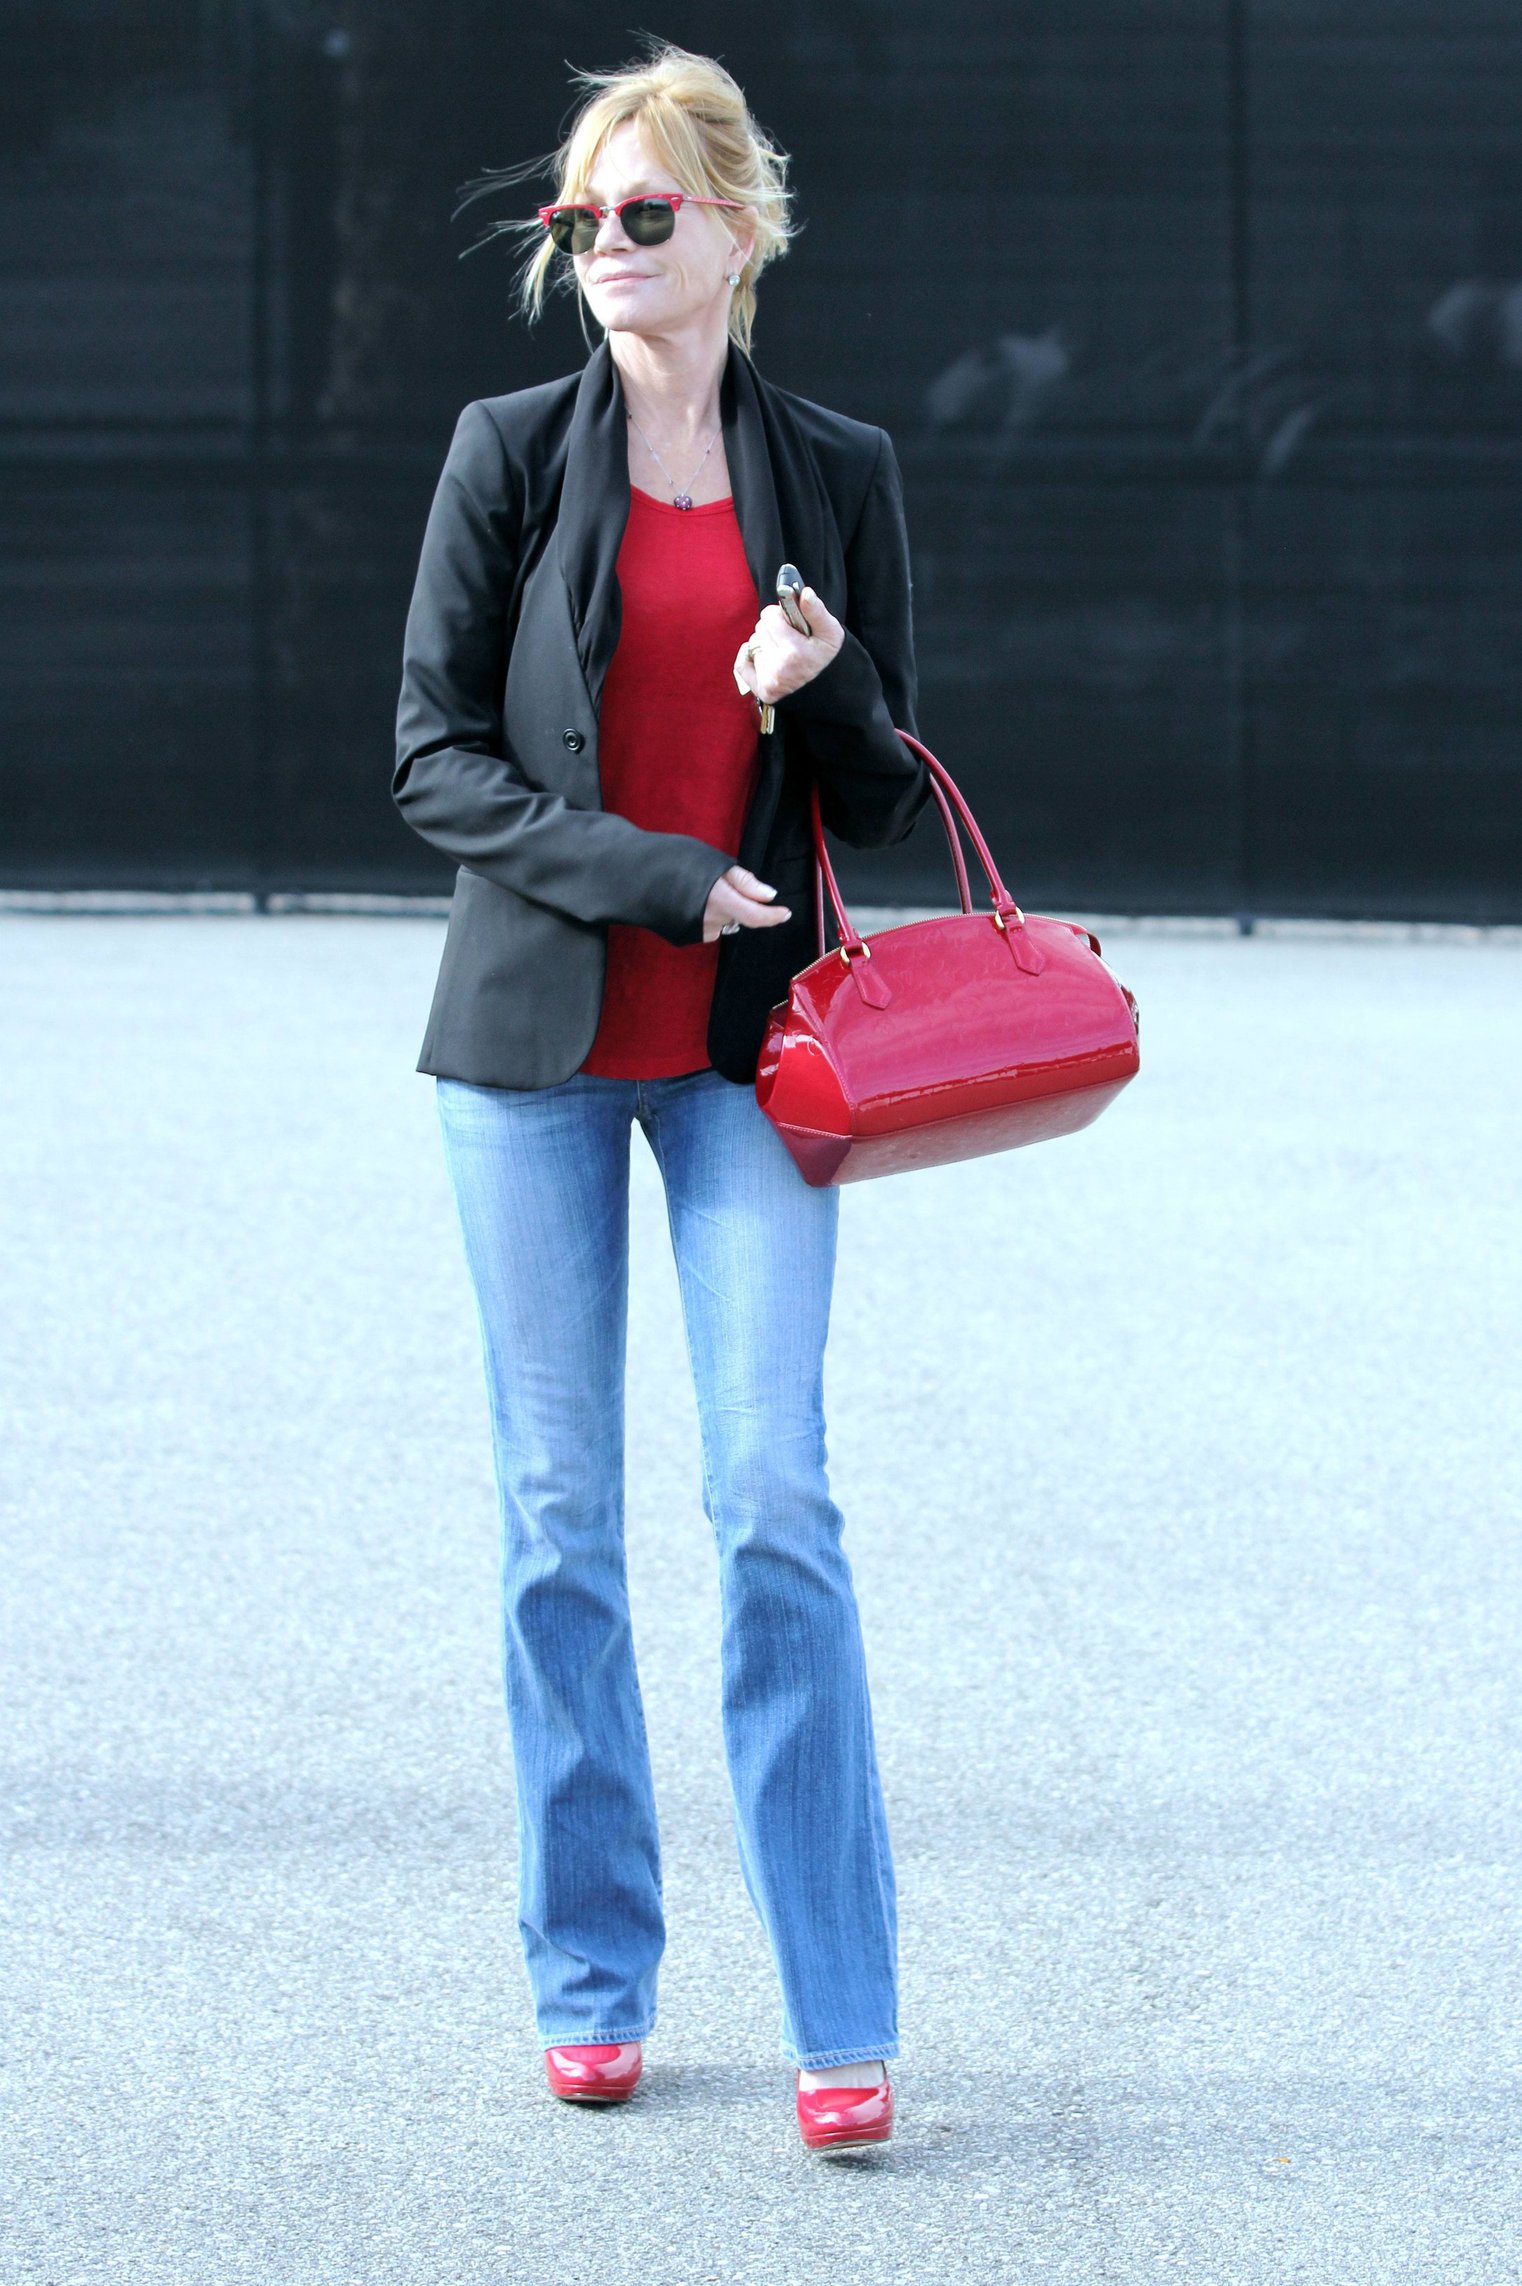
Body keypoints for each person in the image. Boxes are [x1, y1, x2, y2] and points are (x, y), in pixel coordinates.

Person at [392, 43, 928, 2156]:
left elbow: (880, 800)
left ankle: (840, 2007)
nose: (605, 248)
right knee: (556, 1530)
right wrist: (648, 875)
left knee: (772, 1507)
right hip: (527, 1050)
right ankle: (591, 1971)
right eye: (578, 221)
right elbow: (431, 757)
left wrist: (835, 689)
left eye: (643, 214)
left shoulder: (840, 468)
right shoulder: (507, 452)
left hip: (742, 1063)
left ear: (734, 228)